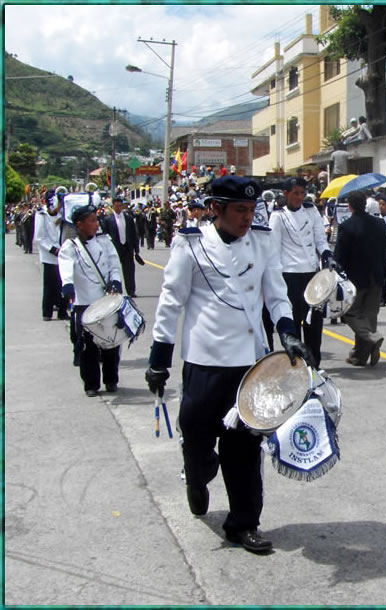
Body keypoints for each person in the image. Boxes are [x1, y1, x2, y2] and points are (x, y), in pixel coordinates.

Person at [146, 176, 312, 554]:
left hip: (248, 362)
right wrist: (159, 359)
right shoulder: (191, 245)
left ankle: (243, 524)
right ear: (216, 209)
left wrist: (287, 332)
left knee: (244, 449)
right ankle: (198, 473)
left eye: (252, 210)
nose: (246, 217)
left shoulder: (262, 241)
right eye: (239, 210)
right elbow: (171, 301)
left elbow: (277, 294)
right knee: (197, 433)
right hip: (206, 361)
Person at [58, 204, 123, 397]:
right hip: (85, 302)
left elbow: (114, 263)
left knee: (111, 343)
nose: (97, 224)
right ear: (80, 224)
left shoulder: (104, 242)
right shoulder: (71, 246)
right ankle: (91, 384)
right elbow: (65, 264)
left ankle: (111, 380)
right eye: (92, 220)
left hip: (106, 301)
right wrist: (67, 284)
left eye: (96, 220)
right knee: (88, 348)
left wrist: (116, 281)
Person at [268, 177, 332, 368]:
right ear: (286, 194)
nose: (299, 197)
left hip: (312, 275)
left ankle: (315, 365)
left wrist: (327, 254)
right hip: (290, 275)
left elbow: (320, 240)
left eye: (302, 193)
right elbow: (274, 250)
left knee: (314, 324)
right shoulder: (278, 216)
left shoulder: (312, 212)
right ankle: (296, 366)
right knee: (294, 323)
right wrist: (276, 279)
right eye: (295, 193)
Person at [334, 191, 386, 366]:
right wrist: (384, 272)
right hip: (377, 276)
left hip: (355, 279)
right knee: (369, 316)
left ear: (349, 206)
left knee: (350, 313)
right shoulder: (380, 224)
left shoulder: (346, 226)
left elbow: (339, 256)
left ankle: (372, 338)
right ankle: (361, 355)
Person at [34, 191, 70, 321]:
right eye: (57, 204)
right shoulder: (41, 214)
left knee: (65, 283)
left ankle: (62, 311)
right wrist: (53, 250)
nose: (59, 207)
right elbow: (39, 238)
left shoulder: (62, 214)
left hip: (63, 252)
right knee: (50, 285)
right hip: (49, 255)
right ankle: (47, 312)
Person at [101, 195, 143, 297]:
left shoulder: (128, 219)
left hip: (127, 247)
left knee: (129, 270)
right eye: (116, 206)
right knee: (113, 269)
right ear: (113, 206)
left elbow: (134, 234)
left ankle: (131, 291)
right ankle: (114, 290)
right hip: (114, 248)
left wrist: (136, 249)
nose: (118, 208)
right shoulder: (108, 220)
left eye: (120, 206)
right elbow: (105, 234)